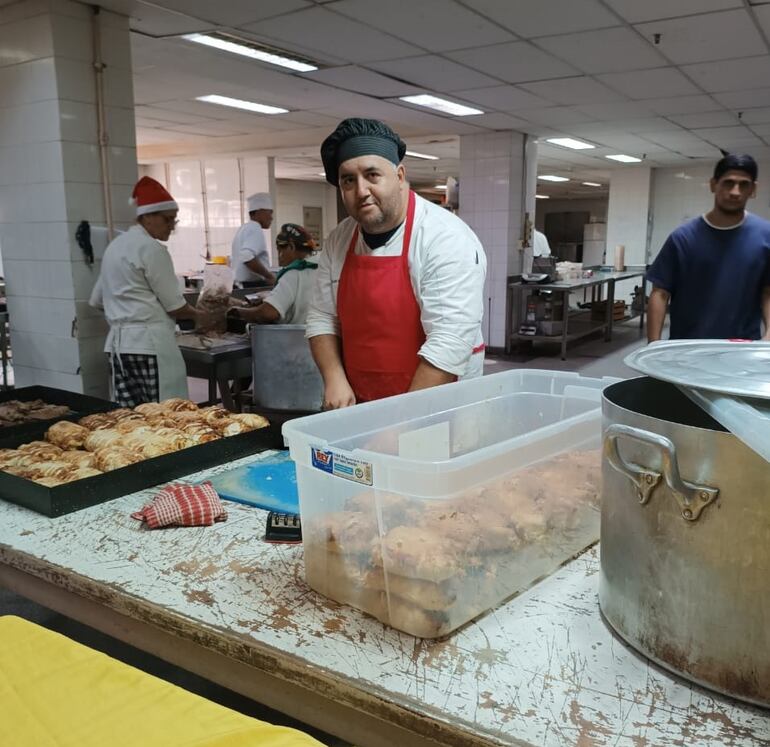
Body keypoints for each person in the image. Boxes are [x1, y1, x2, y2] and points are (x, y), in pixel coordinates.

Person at [306, 117, 487, 410]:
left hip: (438, 403)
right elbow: (321, 317)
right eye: (348, 180)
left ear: (399, 175)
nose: (361, 190)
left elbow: (449, 341)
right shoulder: (340, 238)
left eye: (372, 175)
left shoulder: (444, 237)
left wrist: (400, 421)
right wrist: (334, 378)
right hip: (362, 399)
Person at [90, 176, 205, 406]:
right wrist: (202, 315)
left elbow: (96, 300)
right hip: (150, 347)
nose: (172, 226)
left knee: (131, 417)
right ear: (147, 217)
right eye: (167, 219)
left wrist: (127, 311)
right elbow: (175, 306)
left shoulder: (115, 246)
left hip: (119, 348)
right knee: (165, 416)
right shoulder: (152, 249)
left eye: (175, 220)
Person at [647, 153, 770, 343]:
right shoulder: (683, 238)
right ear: (714, 184)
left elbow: (768, 292)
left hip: (742, 349)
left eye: (743, 184)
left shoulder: (765, 236)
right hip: (687, 347)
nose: (735, 192)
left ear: (753, 190)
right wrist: (652, 345)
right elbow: (660, 293)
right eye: (728, 183)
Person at [233, 223, 318, 325]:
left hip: (295, 338)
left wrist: (238, 312)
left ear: (291, 247)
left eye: (280, 250)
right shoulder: (322, 266)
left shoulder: (294, 273)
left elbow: (267, 313)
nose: (279, 257)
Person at [231, 193, 275, 287]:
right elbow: (246, 256)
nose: (271, 218)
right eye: (270, 212)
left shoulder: (244, 228)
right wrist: (269, 276)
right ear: (259, 212)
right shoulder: (255, 228)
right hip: (251, 286)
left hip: (239, 285)